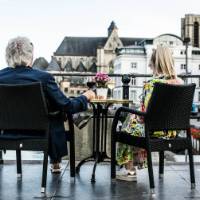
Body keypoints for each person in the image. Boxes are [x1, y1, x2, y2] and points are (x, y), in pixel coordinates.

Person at [0, 36, 96, 173]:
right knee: (57, 111)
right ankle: (55, 161)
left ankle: (54, 162)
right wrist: (85, 97)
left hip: (7, 132)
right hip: (40, 132)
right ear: (30, 56)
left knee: (53, 109)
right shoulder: (43, 77)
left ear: (7, 55)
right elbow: (67, 106)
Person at [116, 45, 183, 181]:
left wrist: (135, 117)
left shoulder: (153, 84)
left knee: (127, 127)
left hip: (152, 130)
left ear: (156, 64)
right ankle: (134, 167)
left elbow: (146, 113)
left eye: (151, 65)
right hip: (173, 131)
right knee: (132, 123)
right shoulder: (181, 83)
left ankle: (130, 171)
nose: (149, 67)